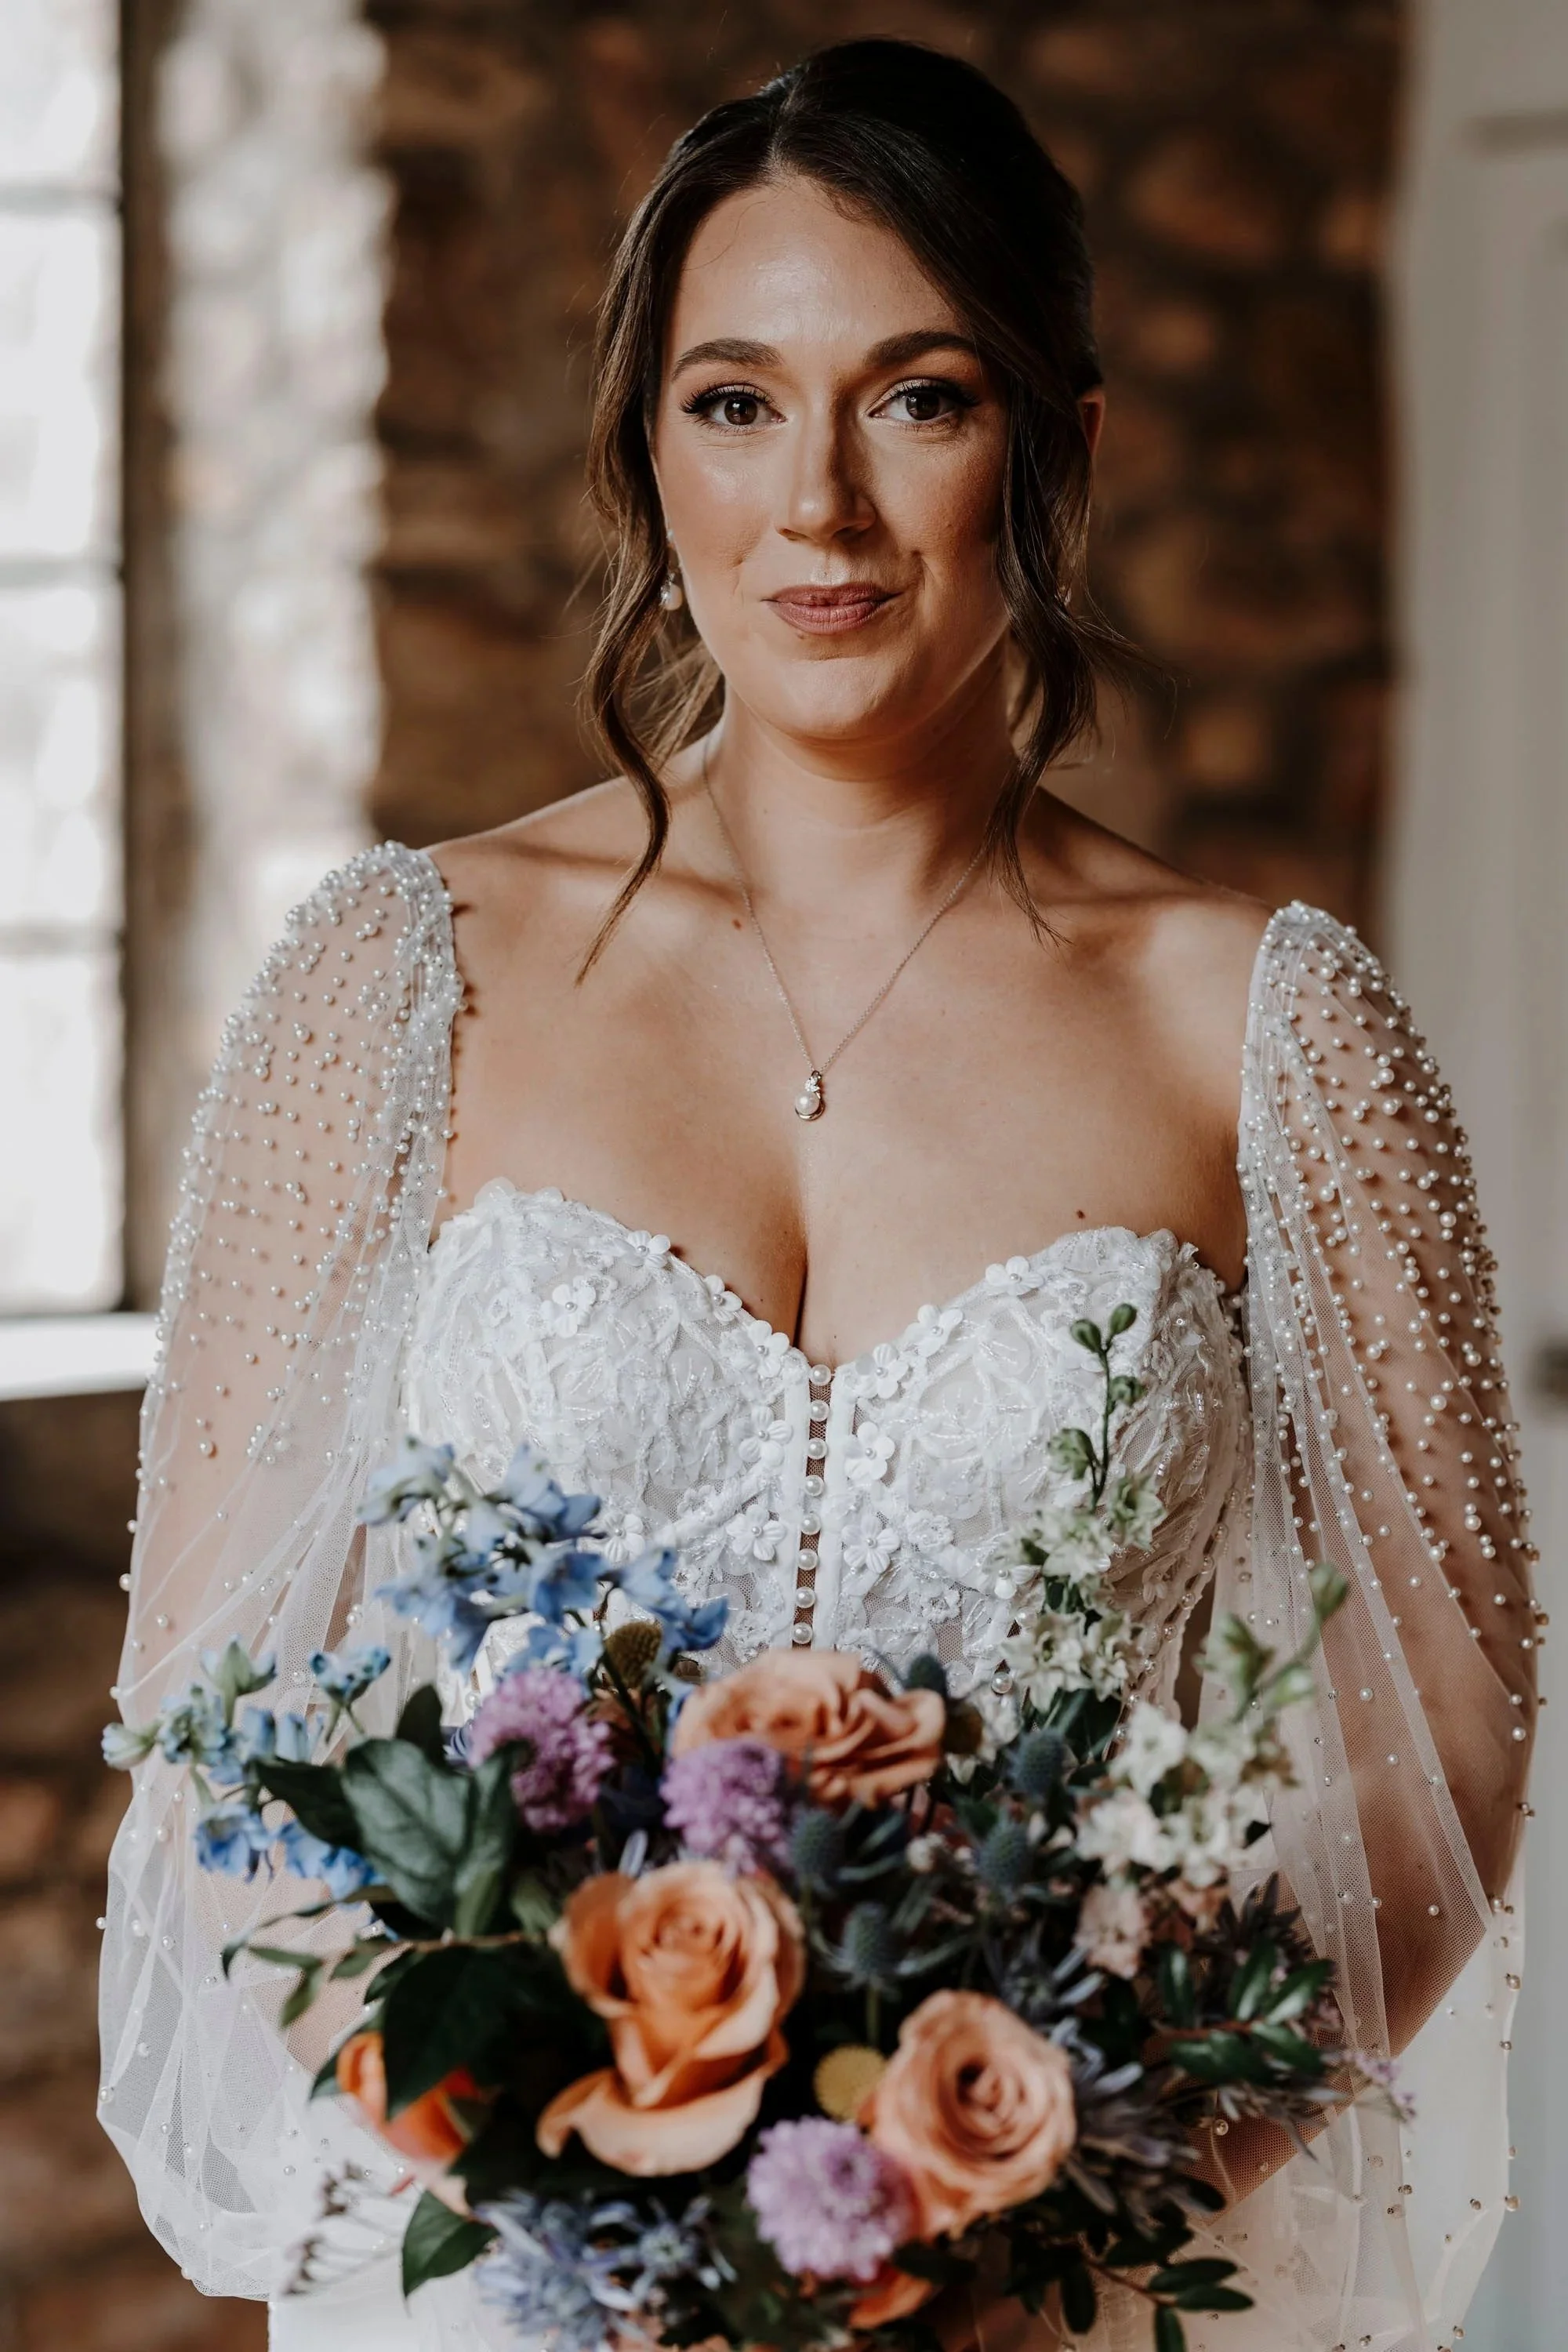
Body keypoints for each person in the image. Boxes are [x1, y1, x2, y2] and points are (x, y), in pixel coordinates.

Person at [100, 40, 1536, 2352]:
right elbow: (210, 1712)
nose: (822, 512)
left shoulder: (1268, 1030)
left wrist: (1041, 2189)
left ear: (1062, 444)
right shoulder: (398, 980)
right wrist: (557, 2178)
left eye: (921, 399)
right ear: (644, 449)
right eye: (737, 404)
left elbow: (1445, 1740)